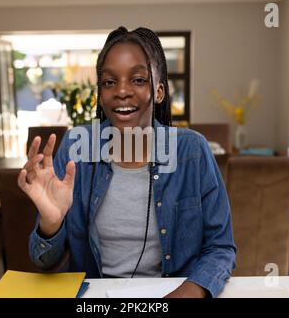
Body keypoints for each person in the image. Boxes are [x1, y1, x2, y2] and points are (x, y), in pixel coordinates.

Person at [19, 26, 236, 298]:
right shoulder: (76, 148)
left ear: (159, 92)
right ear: (100, 92)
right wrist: (51, 223)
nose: (122, 91)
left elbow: (220, 247)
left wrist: (186, 294)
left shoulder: (192, 150)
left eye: (138, 80)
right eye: (110, 82)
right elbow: (44, 263)